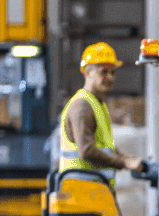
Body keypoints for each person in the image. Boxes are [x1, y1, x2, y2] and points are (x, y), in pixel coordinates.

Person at [59, 42, 147, 187]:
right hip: (81, 194)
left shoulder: (98, 105)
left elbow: (106, 147)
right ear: (87, 72)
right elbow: (87, 151)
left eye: (113, 72)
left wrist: (128, 159)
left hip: (95, 193)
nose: (110, 77)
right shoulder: (82, 106)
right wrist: (124, 163)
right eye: (104, 72)